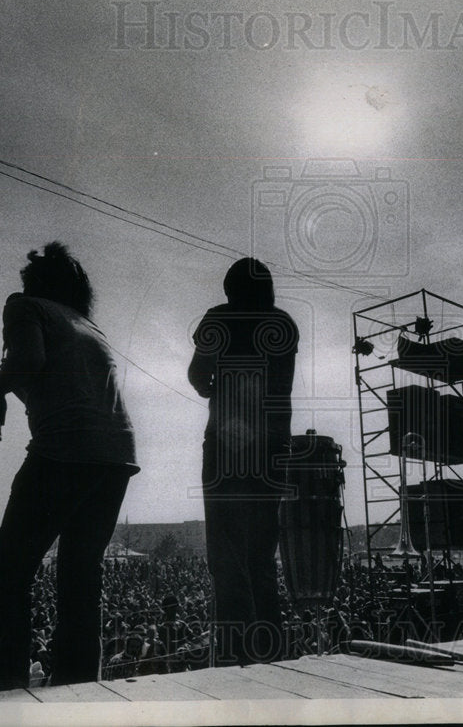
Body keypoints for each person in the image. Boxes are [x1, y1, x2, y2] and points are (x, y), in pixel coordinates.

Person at [0, 242, 139, 690]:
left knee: (11, 575)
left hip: (64, 452)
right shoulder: (88, 325)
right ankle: (81, 688)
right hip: (116, 456)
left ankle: (5, 693)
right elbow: (56, 384)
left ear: (34, 284)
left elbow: (30, 362)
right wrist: (16, 389)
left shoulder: (24, 307)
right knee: (81, 576)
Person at [188, 258, 298, 666]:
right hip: (273, 448)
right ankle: (270, 653)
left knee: (226, 552)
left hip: (227, 447)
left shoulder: (219, 318)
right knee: (261, 555)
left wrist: (217, 384)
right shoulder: (284, 324)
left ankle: (237, 661)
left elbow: (198, 376)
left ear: (230, 290)